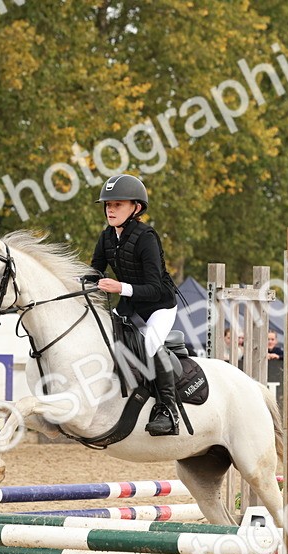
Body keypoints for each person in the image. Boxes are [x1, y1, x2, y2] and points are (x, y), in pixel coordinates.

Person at [90, 174, 180, 435]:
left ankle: (168, 411)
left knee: (150, 343)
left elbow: (154, 288)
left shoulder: (146, 237)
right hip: (130, 305)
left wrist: (119, 287)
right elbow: (95, 271)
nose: (110, 210)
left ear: (136, 208)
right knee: (103, 336)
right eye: (108, 205)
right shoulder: (107, 237)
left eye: (117, 204)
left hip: (159, 306)